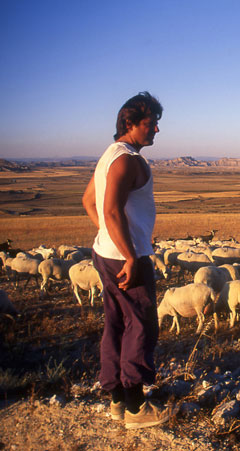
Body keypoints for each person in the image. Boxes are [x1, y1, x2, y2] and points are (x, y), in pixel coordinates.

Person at [82, 92, 170, 429]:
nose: (157, 130)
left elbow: (88, 201)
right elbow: (109, 210)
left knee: (117, 323)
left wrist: (109, 237)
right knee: (142, 325)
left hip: (107, 252)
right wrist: (131, 255)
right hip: (126, 258)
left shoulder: (110, 156)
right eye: (152, 123)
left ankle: (117, 399)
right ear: (130, 123)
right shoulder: (127, 160)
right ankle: (135, 407)